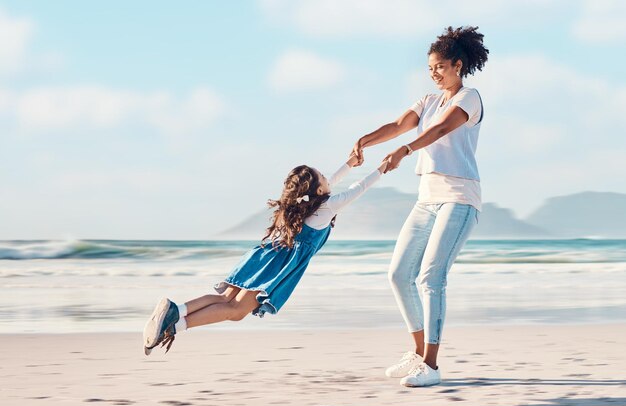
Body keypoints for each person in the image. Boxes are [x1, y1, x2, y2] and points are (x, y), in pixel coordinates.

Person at [352, 26, 489, 387]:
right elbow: (400, 125)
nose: (434, 73)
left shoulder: (470, 98)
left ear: (457, 65)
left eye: (440, 66)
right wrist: (363, 142)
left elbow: (442, 130)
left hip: (459, 197)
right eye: (430, 67)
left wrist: (406, 150)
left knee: (431, 276)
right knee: (399, 275)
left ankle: (431, 365)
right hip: (427, 198)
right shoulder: (428, 101)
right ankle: (416, 355)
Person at [143, 154, 388, 355]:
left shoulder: (312, 204)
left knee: (226, 301)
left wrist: (349, 164)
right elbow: (359, 188)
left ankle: (177, 311)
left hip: (264, 256)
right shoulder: (326, 206)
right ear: (317, 189)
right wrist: (384, 167)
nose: (327, 178)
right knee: (236, 311)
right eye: (323, 176)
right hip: (275, 264)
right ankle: (174, 324)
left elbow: (329, 183)